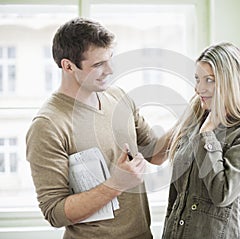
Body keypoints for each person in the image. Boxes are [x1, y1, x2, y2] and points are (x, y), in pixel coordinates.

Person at [26, 17, 162, 239]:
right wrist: (116, 184)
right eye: (98, 64)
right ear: (68, 66)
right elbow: (55, 213)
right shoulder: (48, 125)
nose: (110, 70)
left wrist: (196, 114)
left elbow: (156, 153)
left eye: (110, 59)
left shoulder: (118, 97)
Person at [162, 42, 240, 239]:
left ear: (231, 82)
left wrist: (208, 134)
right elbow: (176, 197)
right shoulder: (196, 113)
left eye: (209, 80)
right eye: (197, 79)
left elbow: (222, 194)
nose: (199, 88)